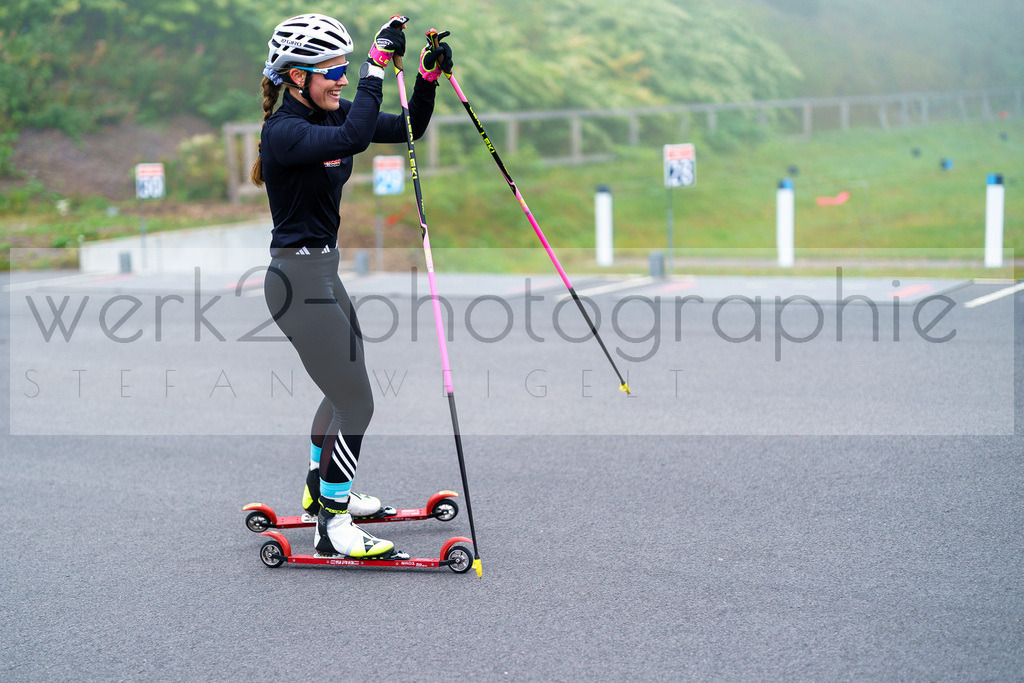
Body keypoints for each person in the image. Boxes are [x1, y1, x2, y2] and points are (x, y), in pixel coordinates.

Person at [250, 13, 454, 560]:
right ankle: (332, 526)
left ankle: (321, 492)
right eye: (330, 71)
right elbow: (355, 137)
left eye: (344, 68)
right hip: (295, 279)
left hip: (323, 273)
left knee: (342, 390)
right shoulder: (285, 132)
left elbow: (408, 129)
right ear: (295, 77)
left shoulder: (331, 114)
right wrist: (375, 66)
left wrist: (427, 79)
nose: (340, 79)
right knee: (356, 401)